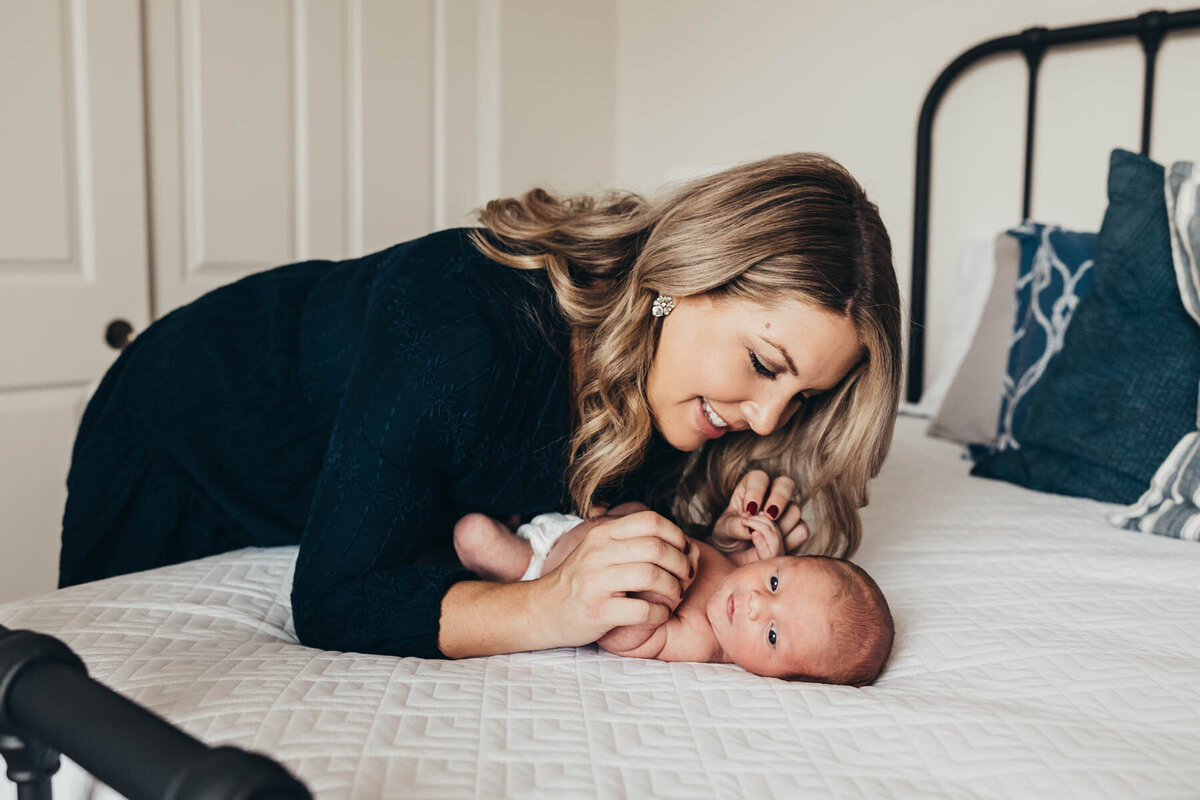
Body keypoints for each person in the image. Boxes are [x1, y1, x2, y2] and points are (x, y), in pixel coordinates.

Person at [59, 152, 902, 660]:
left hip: (325, 463)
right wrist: (551, 607)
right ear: (684, 280)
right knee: (85, 704)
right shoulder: (463, 330)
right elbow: (334, 599)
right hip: (189, 420)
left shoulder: (682, 394)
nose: (766, 421)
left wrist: (716, 546)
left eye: (803, 399)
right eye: (763, 364)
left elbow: (602, 510)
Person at [454, 502, 894, 684]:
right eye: (776, 582)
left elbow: (625, 638)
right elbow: (731, 558)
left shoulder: (702, 641)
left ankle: (498, 548)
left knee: (473, 534)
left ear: (773, 677)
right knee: (636, 509)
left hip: (543, 564)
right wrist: (751, 548)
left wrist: (666, 593)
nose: (758, 603)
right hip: (585, 521)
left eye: (773, 635)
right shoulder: (743, 580)